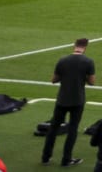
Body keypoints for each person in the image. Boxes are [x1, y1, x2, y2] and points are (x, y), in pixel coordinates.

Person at [41, 36, 96, 167]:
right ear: (85, 47)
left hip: (62, 99)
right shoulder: (88, 61)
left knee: (53, 128)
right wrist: (84, 77)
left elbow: (54, 80)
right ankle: (66, 159)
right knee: (72, 129)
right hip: (77, 100)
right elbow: (92, 82)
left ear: (74, 45)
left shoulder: (63, 60)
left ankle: (45, 157)